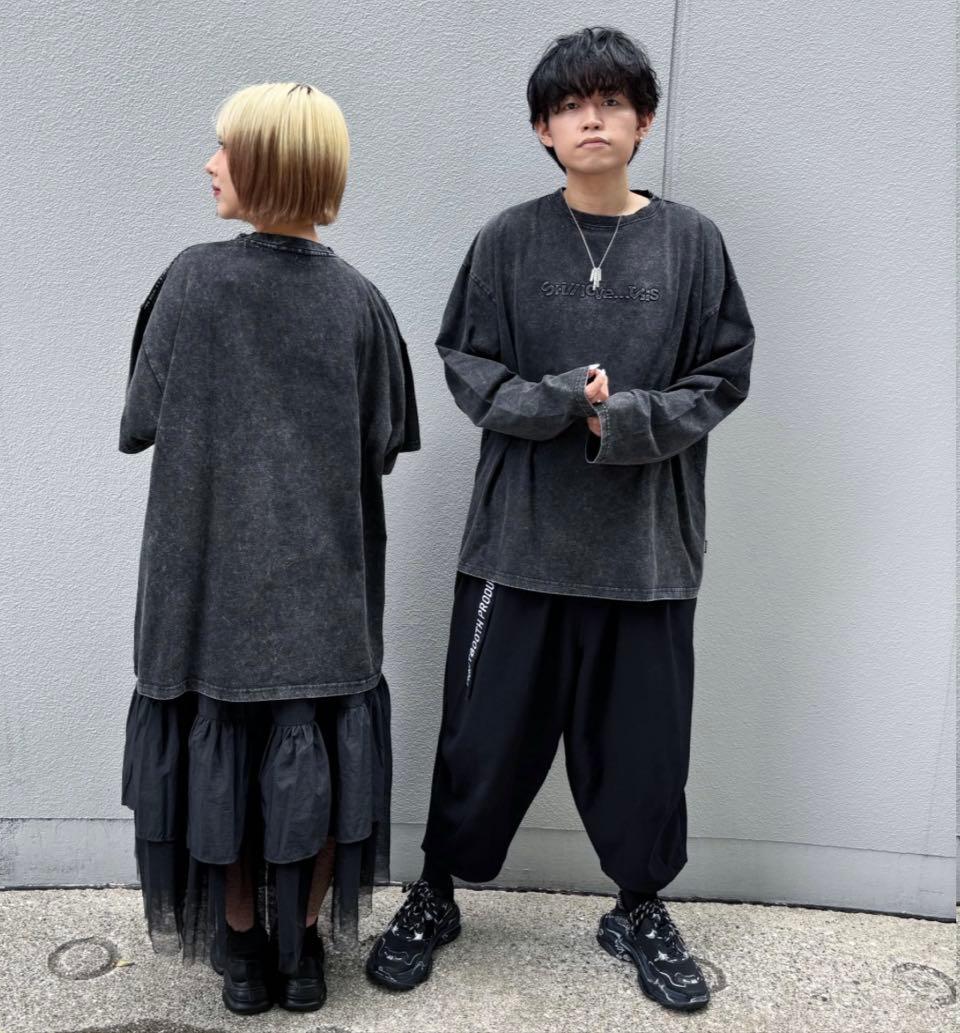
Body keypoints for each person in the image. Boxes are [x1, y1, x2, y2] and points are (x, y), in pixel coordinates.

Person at [365, 26, 754, 1013]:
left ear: (643, 120)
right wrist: (558, 399)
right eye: (572, 105)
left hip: (648, 551)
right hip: (518, 545)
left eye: (612, 101)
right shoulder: (506, 239)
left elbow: (724, 374)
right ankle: (438, 892)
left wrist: (620, 418)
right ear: (543, 127)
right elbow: (465, 363)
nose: (592, 119)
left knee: (645, 751)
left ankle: (638, 907)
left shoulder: (694, 242)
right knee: (481, 739)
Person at [119, 81, 419, 1016]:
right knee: (322, 763)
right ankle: (304, 951)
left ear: (270, 165)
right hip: (323, 594)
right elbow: (386, 441)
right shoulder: (362, 303)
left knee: (218, 762)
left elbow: (139, 419)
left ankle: (243, 949)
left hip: (203, 587)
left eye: (226, 149)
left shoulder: (190, 281)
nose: (209, 165)